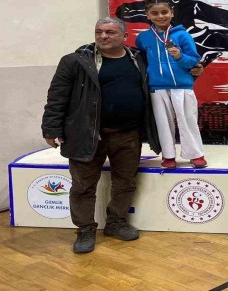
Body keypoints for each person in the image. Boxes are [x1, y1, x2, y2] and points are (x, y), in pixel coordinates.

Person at [41, 17, 160, 254]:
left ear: (124, 36)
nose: (103, 36)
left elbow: (166, 75)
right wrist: (51, 129)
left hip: (128, 135)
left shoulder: (139, 58)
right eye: (99, 32)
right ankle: (85, 229)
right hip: (86, 135)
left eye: (110, 32)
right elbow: (57, 97)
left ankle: (116, 222)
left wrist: (194, 71)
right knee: (83, 186)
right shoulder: (75, 61)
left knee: (125, 183)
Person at [135, 0, 207, 169]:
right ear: (147, 15)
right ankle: (168, 155)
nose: (160, 16)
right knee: (163, 122)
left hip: (182, 86)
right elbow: (142, 60)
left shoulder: (183, 35)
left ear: (172, 13)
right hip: (157, 87)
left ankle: (196, 154)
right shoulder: (143, 38)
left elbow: (194, 60)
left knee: (188, 120)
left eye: (164, 12)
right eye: (155, 13)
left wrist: (180, 57)